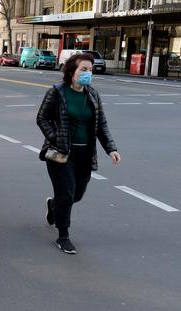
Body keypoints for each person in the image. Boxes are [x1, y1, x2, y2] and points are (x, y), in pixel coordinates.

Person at [37, 53, 121, 255]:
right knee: (66, 193)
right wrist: (55, 137)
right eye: (84, 69)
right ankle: (63, 236)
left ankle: (53, 205)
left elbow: (101, 125)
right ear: (71, 72)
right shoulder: (57, 92)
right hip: (61, 153)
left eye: (90, 70)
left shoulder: (92, 94)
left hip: (85, 153)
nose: (88, 73)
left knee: (78, 193)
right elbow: (42, 118)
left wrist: (111, 148)